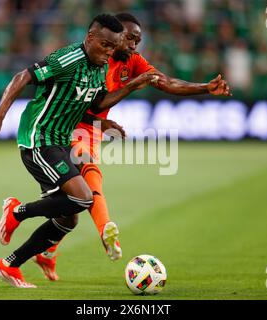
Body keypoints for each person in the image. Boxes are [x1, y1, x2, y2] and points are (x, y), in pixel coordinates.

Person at [33, 12, 232, 282]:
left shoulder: (132, 61)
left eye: (138, 41)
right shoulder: (90, 58)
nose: (134, 46)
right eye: (130, 39)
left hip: (90, 128)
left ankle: (46, 249)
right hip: (63, 127)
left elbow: (163, 81)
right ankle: (105, 230)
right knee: (88, 170)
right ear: (115, 36)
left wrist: (204, 88)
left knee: (74, 204)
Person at [0, 13, 158, 288]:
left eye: (113, 47)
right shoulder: (67, 59)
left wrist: (121, 99)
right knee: (84, 198)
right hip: (38, 138)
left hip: (61, 140)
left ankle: (9, 265)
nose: (109, 53)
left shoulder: (100, 65)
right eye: (105, 46)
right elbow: (22, 76)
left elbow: (96, 104)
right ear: (90, 38)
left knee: (68, 219)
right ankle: (17, 212)